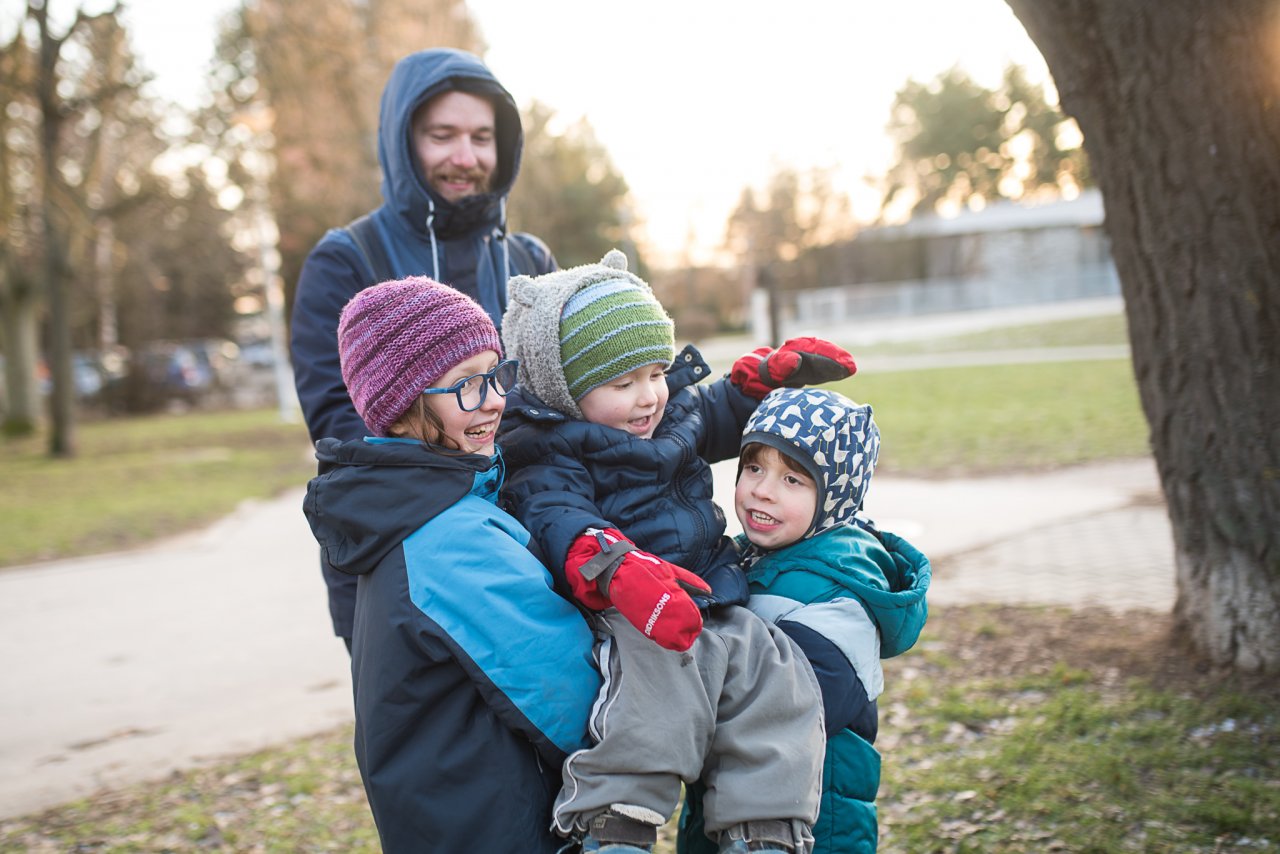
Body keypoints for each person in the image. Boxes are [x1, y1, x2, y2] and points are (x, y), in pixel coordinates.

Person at [498, 249, 860, 854]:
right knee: (653, 700)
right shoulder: (549, 448)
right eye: (623, 383)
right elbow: (556, 512)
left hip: (706, 592)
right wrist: (614, 565)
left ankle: (763, 828)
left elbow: (713, 416)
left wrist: (757, 385)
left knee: (775, 674)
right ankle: (616, 822)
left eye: (656, 373)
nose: (648, 397)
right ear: (565, 389)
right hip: (629, 605)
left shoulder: (667, 413)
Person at [300, 277, 600, 852]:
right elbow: (575, 707)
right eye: (465, 384)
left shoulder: (401, 510)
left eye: (495, 374)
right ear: (404, 404)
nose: (494, 400)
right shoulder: (452, 539)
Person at [290, 47, 557, 650]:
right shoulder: (346, 260)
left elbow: (568, 401)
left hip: (538, 556)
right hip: (407, 576)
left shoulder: (529, 260)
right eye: (442, 135)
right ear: (402, 141)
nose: (465, 157)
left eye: (482, 137)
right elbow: (346, 434)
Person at [680, 388, 931, 854]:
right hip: (731, 804)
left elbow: (791, 708)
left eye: (793, 479)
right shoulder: (748, 560)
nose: (763, 489)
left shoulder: (836, 595)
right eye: (754, 468)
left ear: (835, 497)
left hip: (810, 822)